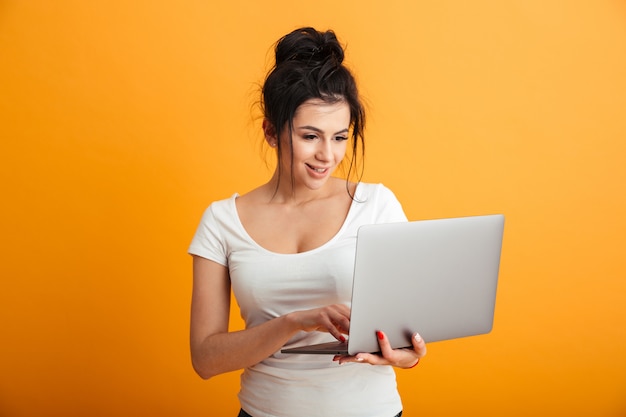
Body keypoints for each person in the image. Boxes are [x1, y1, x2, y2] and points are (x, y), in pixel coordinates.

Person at [188, 27, 427, 417]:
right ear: (270, 131)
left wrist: (405, 356)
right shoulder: (221, 222)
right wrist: (295, 322)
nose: (326, 155)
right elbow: (205, 359)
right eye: (310, 136)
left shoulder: (376, 206)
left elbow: (405, 339)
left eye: (339, 137)